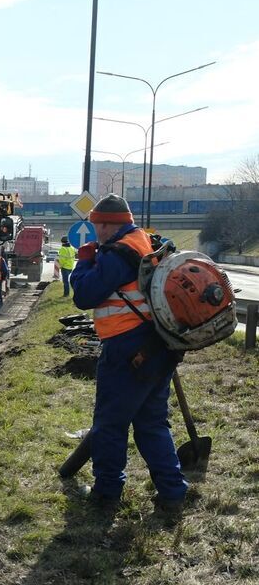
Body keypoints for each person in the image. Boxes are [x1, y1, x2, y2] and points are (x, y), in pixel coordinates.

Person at [69, 194, 188, 512]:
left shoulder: (117, 252)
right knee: (152, 423)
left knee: (110, 423)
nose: (96, 233)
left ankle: (106, 495)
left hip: (126, 349)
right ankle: (173, 494)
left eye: (97, 226)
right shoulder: (146, 241)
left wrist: (83, 261)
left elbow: (84, 294)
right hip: (159, 345)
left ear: (108, 224)